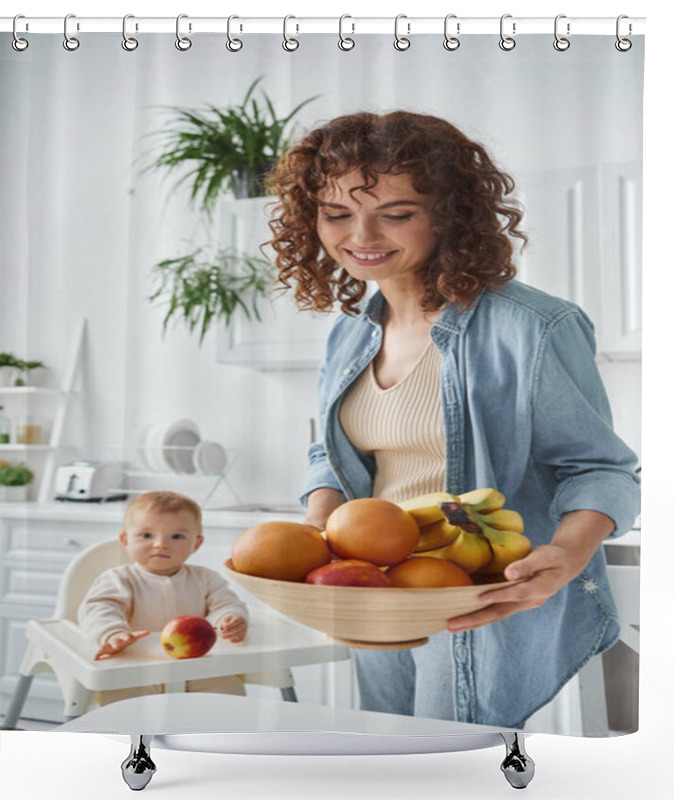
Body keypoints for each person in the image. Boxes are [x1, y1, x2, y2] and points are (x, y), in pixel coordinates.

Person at [268, 111, 640, 729]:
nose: (361, 233)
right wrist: (315, 536)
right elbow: (333, 455)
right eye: (336, 213)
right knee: (390, 756)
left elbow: (601, 470)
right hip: (376, 588)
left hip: (481, 589)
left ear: (448, 213)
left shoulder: (535, 327)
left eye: (396, 213)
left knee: (446, 764)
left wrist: (567, 558)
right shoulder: (348, 332)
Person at [78, 490, 248, 706]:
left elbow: (226, 603)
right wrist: (113, 633)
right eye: (146, 535)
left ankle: (218, 738)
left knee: (228, 691)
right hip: (137, 667)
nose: (160, 544)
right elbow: (99, 608)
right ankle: (132, 739)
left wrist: (229, 619)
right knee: (123, 703)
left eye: (176, 536)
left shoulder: (205, 578)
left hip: (196, 667)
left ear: (196, 543)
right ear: (125, 540)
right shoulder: (119, 579)